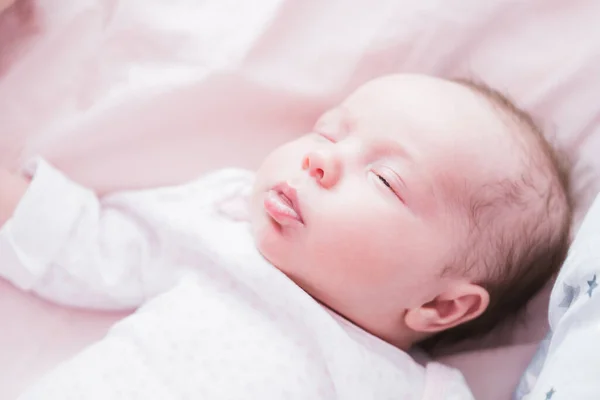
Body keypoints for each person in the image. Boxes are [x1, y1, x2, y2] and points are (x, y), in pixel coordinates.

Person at [0, 74, 571, 399]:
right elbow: (81, 244)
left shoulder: (417, 392)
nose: (320, 161)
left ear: (442, 304)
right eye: (328, 133)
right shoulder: (219, 232)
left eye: (384, 179)